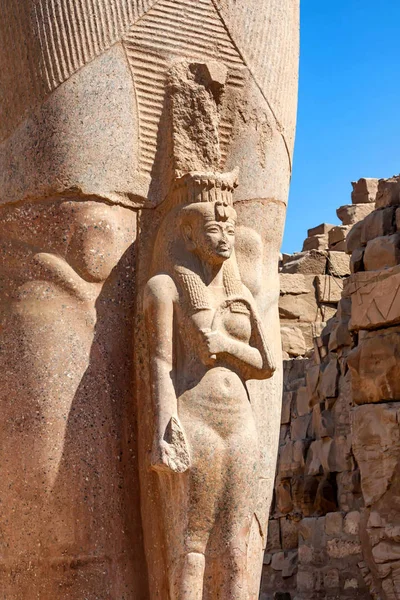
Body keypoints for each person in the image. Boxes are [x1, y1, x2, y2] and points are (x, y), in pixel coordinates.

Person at [144, 183, 275, 600]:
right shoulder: (165, 287)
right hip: (194, 416)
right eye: (213, 229)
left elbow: (267, 363)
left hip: (240, 422)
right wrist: (166, 425)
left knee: (237, 542)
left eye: (230, 230)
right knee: (192, 541)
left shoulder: (241, 296)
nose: (224, 237)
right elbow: (160, 364)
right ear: (187, 237)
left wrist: (226, 346)